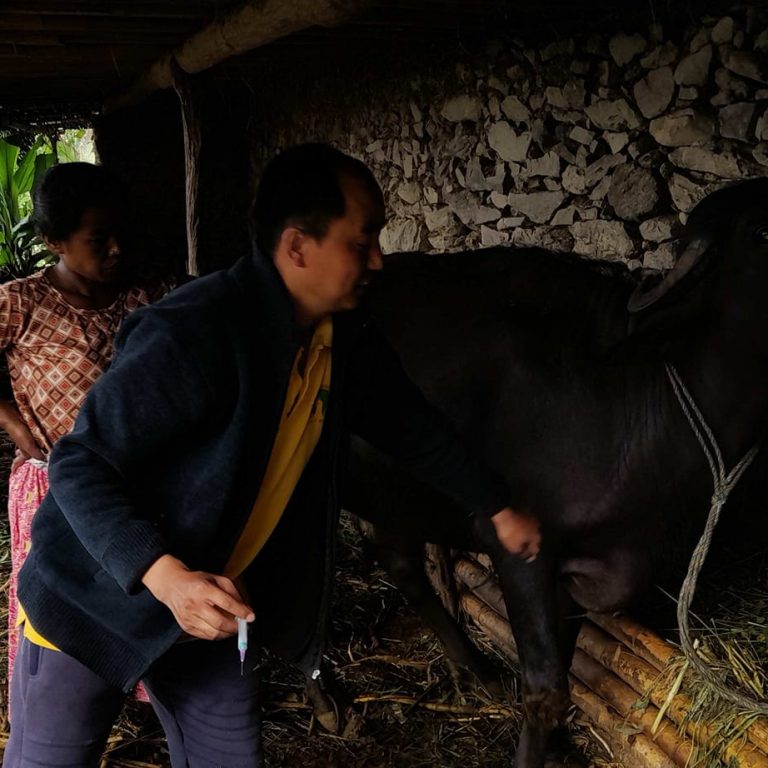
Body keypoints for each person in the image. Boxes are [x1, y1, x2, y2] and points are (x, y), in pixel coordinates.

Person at [5, 144, 540, 768]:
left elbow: (412, 427)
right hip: (90, 603)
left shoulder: (345, 340)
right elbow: (80, 462)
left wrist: (495, 503)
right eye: (361, 240)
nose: (378, 259)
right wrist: (164, 576)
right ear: (297, 247)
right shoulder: (196, 330)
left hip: (211, 614)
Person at [0, 162, 167, 685]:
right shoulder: (21, 302)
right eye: (99, 239)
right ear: (54, 242)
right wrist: (11, 422)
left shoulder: (148, 296)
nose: (116, 248)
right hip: (57, 487)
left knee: (137, 587)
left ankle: (143, 691)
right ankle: (66, 698)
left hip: (140, 482)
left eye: (121, 234)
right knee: (64, 606)